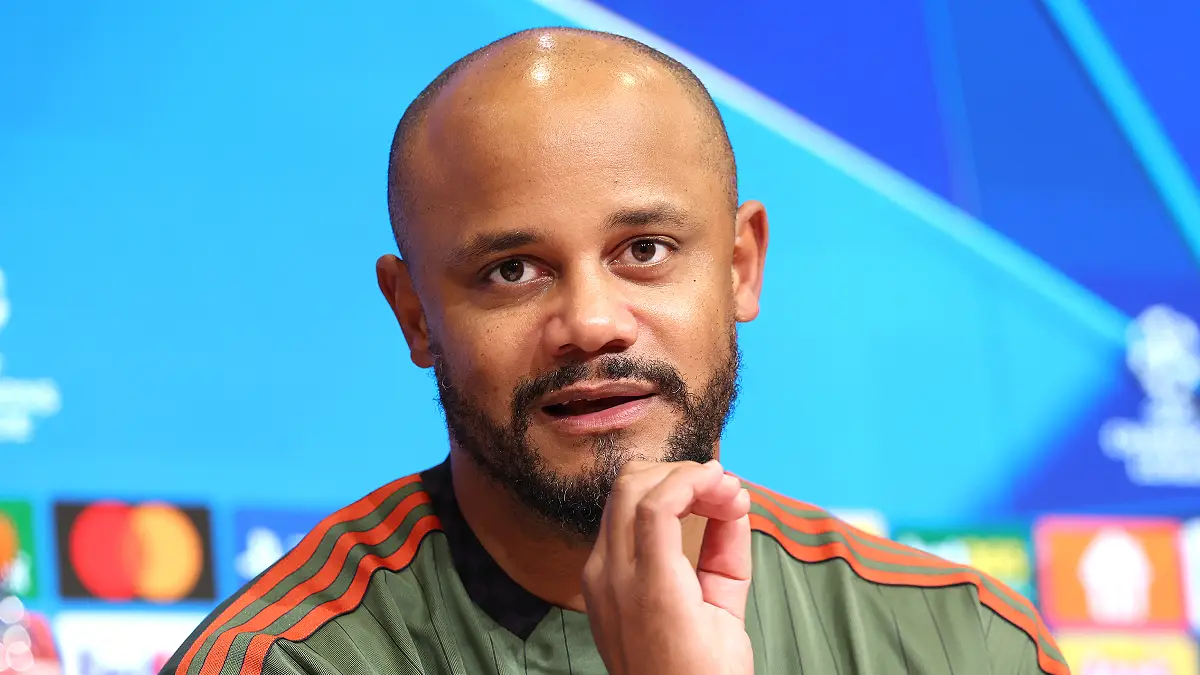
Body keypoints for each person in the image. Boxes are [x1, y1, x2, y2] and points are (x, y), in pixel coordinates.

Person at [163, 27, 1069, 675]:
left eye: (644, 250)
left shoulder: (963, 643)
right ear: (415, 316)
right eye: (513, 269)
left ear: (741, 266)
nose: (592, 321)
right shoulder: (285, 660)